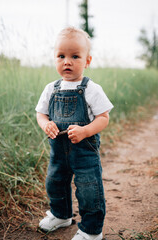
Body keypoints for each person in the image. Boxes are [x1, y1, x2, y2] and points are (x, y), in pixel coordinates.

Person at [35, 26, 113, 240]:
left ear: (87, 61)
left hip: (84, 151)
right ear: (55, 58)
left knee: (88, 187)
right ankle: (61, 215)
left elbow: (103, 118)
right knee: (55, 182)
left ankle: (91, 229)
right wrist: (46, 124)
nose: (67, 61)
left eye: (74, 56)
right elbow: (41, 114)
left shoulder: (91, 89)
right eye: (61, 56)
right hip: (58, 151)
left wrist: (86, 130)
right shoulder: (51, 88)